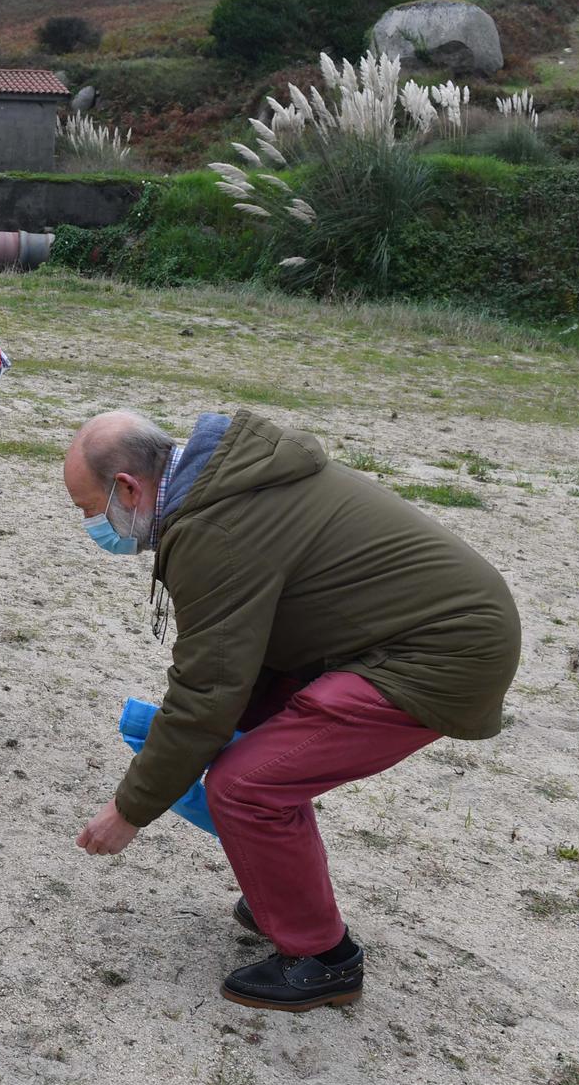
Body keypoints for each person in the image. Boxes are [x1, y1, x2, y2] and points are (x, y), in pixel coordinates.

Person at [64, 409, 521, 1011]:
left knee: (247, 784)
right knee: (258, 756)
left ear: (127, 486)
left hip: (440, 654)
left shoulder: (216, 528)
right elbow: (232, 673)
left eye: (89, 509)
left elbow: (206, 692)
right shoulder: (228, 488)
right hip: (401, 637)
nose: (95, 525)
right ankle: (282, 893)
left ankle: (325, 960)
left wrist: (129, 809)